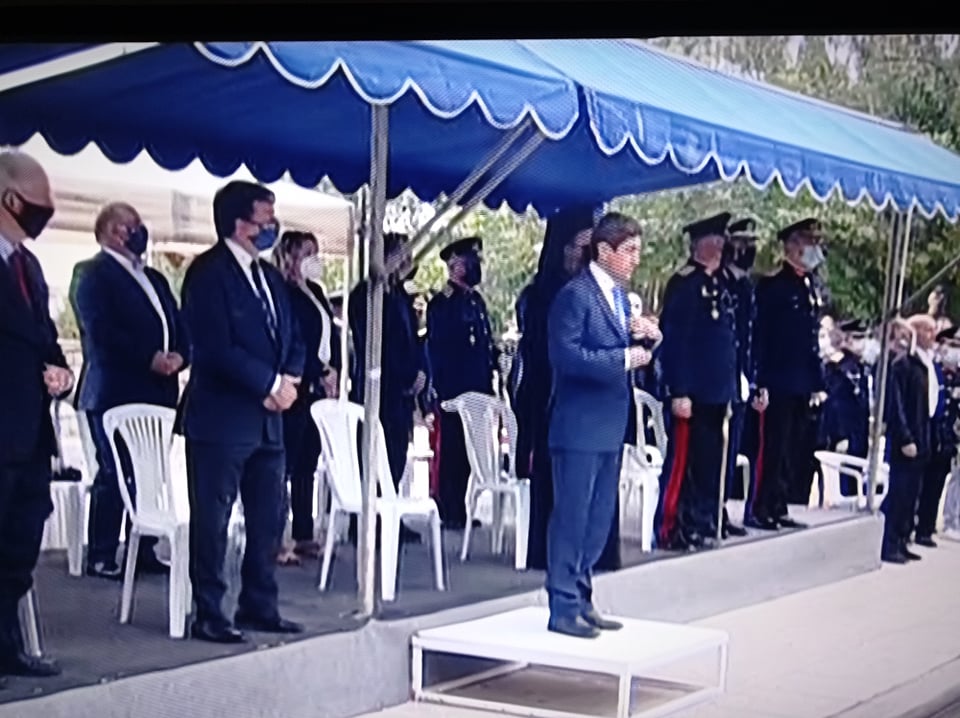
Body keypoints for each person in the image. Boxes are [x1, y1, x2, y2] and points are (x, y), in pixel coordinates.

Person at [179, 180, 305, 643]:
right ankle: (209, 612)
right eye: (265, 219)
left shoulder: (268, 276)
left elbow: (292, 334)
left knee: (268, 517)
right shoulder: (207, 274)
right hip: (222, 419)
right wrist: (267, 384)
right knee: (213, 520)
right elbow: (215, 347)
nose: (273, 227)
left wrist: (289, 380)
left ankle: (259, 603)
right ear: (239, 224)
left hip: (270, 421)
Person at [545, 212, 653, 639]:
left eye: (638, 250)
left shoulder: (620, 297)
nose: (635, 259)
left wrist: (645, 337)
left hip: (609, 423)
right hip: (578, 425)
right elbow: (567, 356)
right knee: (572, 519)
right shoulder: (576, 295)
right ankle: (562, 604)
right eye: (629, 250)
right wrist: (622, 359)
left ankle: (582, 595)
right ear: (604, 250)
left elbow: (624, 346)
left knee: (598, 520)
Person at [74, 202, 189, 579]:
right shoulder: (92, 273)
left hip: (158, 392)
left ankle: (143, 548)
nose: (139, 232)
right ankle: (102, 553)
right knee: (116, 471)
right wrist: (148, 358)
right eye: (131, 226)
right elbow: (101, 331)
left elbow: (177, 323)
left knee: (148, 472)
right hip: (115, 390)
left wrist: (180, 355)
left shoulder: (153, 278)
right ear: (111, 231)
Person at [513, 206, 624, 572]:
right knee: (565, 490)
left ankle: (594, 556)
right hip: (554, 401)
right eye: (580, 247)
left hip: (598, 405)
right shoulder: (543, 296)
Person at [0, 150, 71, 681]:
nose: (46, 213)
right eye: (39, 203)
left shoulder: (28, 266)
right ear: (10, 199)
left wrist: (60, 371)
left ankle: (7, 647)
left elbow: (44, 338)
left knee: (18, 546)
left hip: (29, 434)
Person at [655, 213, 739, 552]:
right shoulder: (685, 283)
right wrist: (680, 389)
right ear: (698, 245)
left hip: (716, 391)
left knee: (708, 462)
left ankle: (703, 520)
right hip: (692, 391)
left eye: (722, 242)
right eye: (714, 242)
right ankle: (672, 525)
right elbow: (676, 340)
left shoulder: (720, 283)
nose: (720, 248)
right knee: (683, 463)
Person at [747, 218, 827, 531]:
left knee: (791, 448)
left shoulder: (807, 285)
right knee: (773, 446)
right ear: (792, 246)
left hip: (800, 381)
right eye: (809, 241)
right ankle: (762, 506)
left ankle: (779, 504)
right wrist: (760, 380)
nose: (814, 248)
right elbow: (762, 337)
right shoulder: (773, 286)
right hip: (777, 378)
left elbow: (809, 339)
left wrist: (816, 382)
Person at [349, 233, 426, 543]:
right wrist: (404, 375)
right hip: (378, 389)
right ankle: (368, 521)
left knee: (396, 455)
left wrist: (418, 374)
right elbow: (375, 343)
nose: (406, 262)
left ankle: (390, 515)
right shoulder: (367, 294)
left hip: (400, 394)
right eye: (400, 255)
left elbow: (410, 341)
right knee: (374, 455)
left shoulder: (400, 296)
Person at [271, 231, 341, 565]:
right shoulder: (284, 293)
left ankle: (303, 532)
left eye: (316, 252)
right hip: (296, 384)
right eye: (307, 253)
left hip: (319, 388)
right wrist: (317, 370)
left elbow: (330, 334)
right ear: (290, 257)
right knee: (283, 464)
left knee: (306, 464)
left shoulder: (316, 291)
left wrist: (335, 369)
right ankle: (275, 536)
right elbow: (295, 340)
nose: (314, 259)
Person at [426, 236, 498, 529]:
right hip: (453, 391)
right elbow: (438, 349)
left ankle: (462, 507)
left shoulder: (476, 301)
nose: (475, 266)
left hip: (478, 388)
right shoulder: (442, 303)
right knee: (451, 449)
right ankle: (447, 507)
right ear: (454, 264)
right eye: (470, 261)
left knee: (470, 451)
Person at [881, 315, 935, 564]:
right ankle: (890, 542)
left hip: (922, 436)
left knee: (912, 494)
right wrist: (905, 437)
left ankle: (903, 539)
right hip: (907, 438)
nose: (932, 336)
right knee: (899, 492)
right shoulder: (903, 363)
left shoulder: (924, 364)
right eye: (927, 330)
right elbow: (897, 405)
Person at [717, 216, 758, 536]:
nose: (746, 249)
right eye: (741, 243)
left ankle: (721, 506)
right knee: (717, 449)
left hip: (740, 376)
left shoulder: (745, 284)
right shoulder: (719, 281)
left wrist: (751, 377)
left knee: (731, 450)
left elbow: (750, 336)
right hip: (719, 377)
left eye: (750, 244)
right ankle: (711, 509)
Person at [914, 324, 954, 548]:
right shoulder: (932, 370)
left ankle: (926, 528)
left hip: (946, 438)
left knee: (936, 485)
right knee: (923, 484)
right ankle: (916, 527)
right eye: (951, 344)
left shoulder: (953, 374)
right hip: (930, 434)